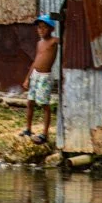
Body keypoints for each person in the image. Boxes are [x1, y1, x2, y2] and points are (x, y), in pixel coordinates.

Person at [21, 14, 59, 144]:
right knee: (30, 102)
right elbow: (35, 61)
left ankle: (44, 134)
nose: (41, 30)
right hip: (35, 74)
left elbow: (65, 38)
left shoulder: (54, 41)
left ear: (51, 29)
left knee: (44, 104)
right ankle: (28, 129)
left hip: (45, 77)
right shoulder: (39, 43)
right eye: (39, 28)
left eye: (44, 28)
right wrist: (27, 78)